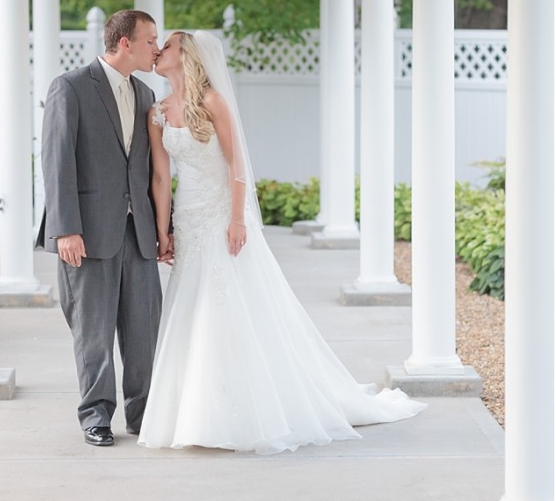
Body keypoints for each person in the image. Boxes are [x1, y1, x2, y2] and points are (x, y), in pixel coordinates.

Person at [138, 30, 426, 454]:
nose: (159, 50)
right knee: (190, 306)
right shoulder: (157, 112)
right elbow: (160, 177)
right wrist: (162, 230)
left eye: (169, 45)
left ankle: (243, 411)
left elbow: (237, 165)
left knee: (225, 305)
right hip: (189, 218)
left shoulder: (213, 101)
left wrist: (238, 220)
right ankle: (194, 413)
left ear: (188, 56)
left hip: (221, 217)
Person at [37, 9, 163, 448]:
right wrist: (65, 228)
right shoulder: (70, 87)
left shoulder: (147, 95)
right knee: (93, 332)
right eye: (150, 39)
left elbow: (150, 172)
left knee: (143, 329)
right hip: (87, 232)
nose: (157, 47)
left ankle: (144, 415)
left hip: (138, 233)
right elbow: (57, 162)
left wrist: (163, 231)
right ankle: (96, 416)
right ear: (125, 42)